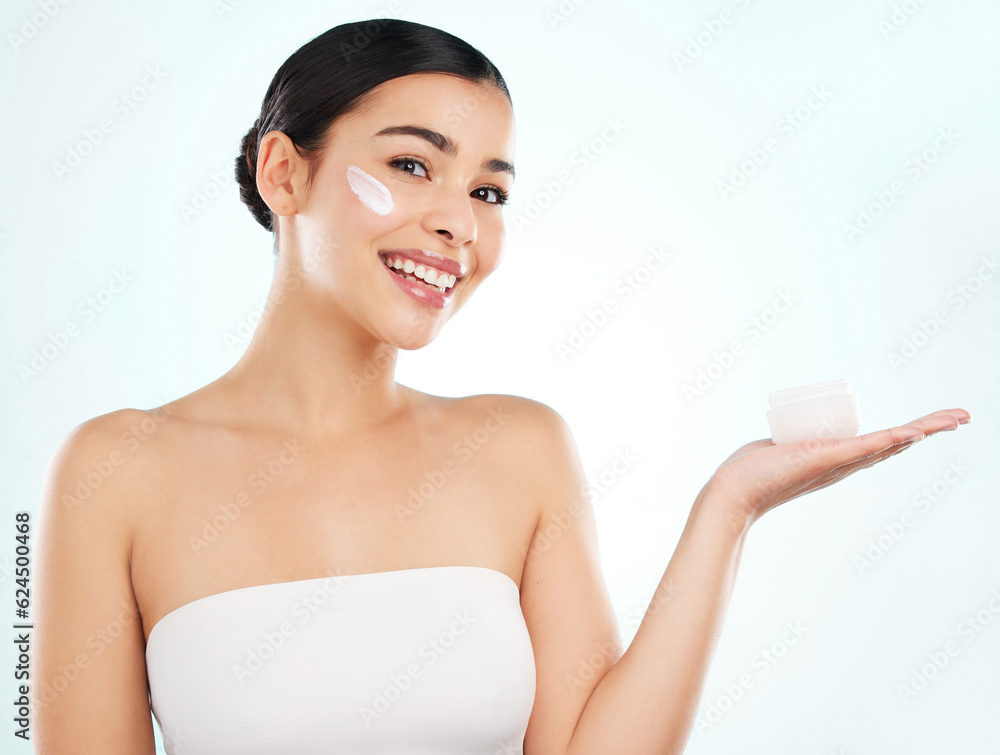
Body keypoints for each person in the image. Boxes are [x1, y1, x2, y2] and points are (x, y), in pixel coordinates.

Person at [31, 17, 970, 755]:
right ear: (284, 171)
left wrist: (730, 507)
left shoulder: (519, 449)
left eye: (488, 192)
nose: (460, 225)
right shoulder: (114, 470)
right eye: (411, 166)